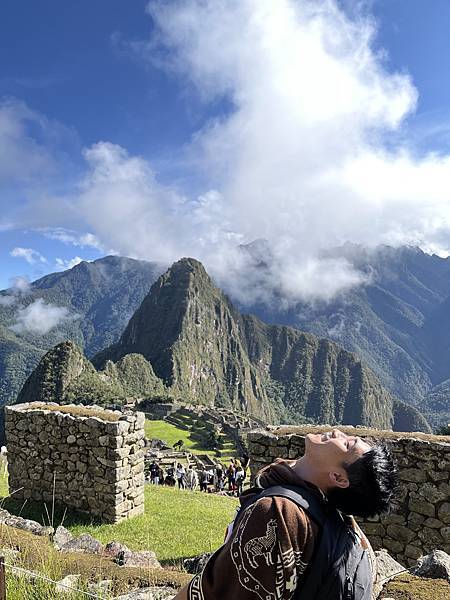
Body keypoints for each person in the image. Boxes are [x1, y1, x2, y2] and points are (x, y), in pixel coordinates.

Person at [173, 429, 398, 600]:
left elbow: (220, 592)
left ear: (339, 478)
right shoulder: (348, 530)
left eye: (347, 443)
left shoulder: (277, 513)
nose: (337, 432)